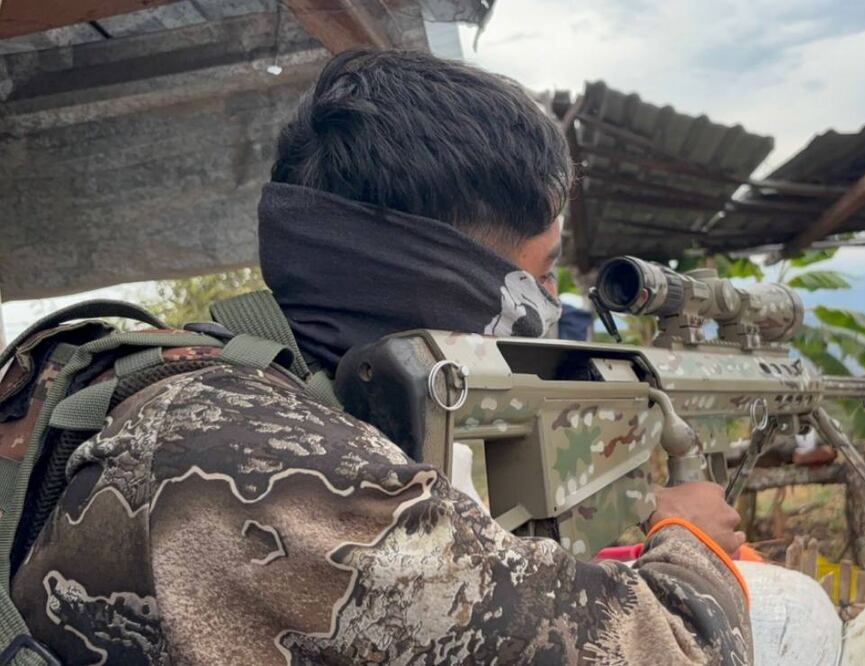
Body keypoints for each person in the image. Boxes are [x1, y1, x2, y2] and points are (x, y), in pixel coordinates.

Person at [13, 49, 751, 664]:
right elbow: (674, 651)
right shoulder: (269, 468)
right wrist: (689, 539)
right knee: (791, 608)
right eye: (545, 270)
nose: (551, 302)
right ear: (452, 271)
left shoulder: (197, 377)